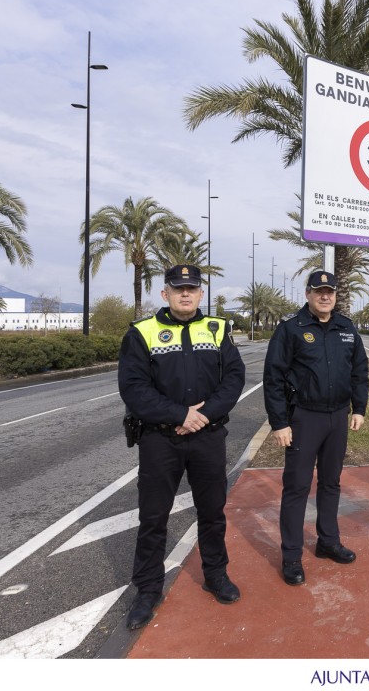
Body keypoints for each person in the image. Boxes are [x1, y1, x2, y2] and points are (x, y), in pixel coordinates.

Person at [117, 264, 246, 630]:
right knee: (153, 517)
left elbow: (235, 378)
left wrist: (204, 416)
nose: (185, 293)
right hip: (160, 439)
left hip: (207, 437)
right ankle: (147, 590)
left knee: (212, 512)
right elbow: (134, 388)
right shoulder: (142, 333)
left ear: (201, 294)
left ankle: (216, 575)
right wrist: (179, 414)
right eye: (178, 288)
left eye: (192, 288)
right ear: (165, 294)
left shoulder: (217, 330)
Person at [263, 270, 369, 586]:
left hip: (337, 417)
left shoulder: (347, 329)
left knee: (331, 482)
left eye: (330, 292)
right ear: (308, 294)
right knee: (297, 486)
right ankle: (292, 556)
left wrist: (359, 408)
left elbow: (359, 371)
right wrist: (279, 422)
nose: (325, 296)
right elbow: (273, 378)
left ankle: (328, 540)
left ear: (336, 296)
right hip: (303, 418)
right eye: (319, 291)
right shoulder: (291, 330)